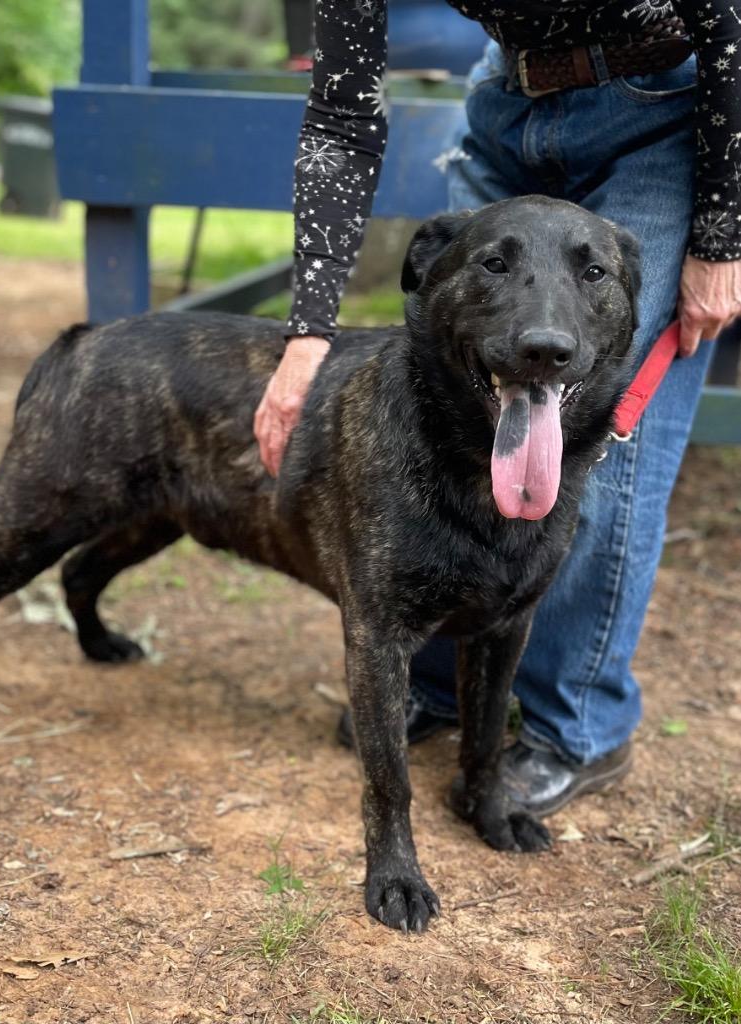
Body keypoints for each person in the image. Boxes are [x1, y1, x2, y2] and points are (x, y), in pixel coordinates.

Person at [253, 0, 741, 816]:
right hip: (506, 101)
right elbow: (341, 117)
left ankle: (574, 724)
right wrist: (308, 332)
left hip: (666, 109)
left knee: (594, 440)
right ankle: (443, 682)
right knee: (449, 413)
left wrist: (721, 233)